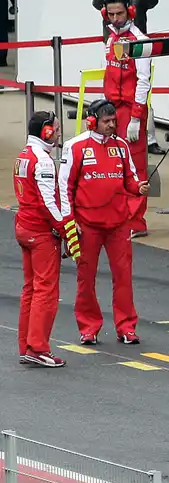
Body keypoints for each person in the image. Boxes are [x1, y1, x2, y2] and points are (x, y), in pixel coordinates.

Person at [58, 99, 150, 346]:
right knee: (85, 279)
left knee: (124, 277)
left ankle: (126, 327)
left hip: (118, 224)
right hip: (86, 226)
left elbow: (129, 179)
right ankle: (88, 328)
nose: (111, 125)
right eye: (106, 121)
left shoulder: (121, 146)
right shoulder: (74, 147)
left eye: (113, 121)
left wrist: (138, 187)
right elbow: (64, 187)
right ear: (92, 121)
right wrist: (69, 222)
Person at [14, 112, 80, 367]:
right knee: (46, 291)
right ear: (46, 131)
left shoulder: (23, 155)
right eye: (56, 128)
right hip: (40, 234)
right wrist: (65, 230)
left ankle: (26, 346)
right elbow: (49, 203)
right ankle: (38, 348)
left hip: (24, 228)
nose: (59, 132)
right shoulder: (42, 161)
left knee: (30, 289)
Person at [100, 0, 152, 239]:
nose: (115, 18)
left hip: (131, 111)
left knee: (135, 165)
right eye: (110, 14)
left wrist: (135, 117)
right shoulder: (111, 40)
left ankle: (136, 221)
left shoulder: (140, 40)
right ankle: (118, 215)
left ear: (129, 11)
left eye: (119, 13)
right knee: (112, 163)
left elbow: (143, 82)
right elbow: (108, 75)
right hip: (111, 110)